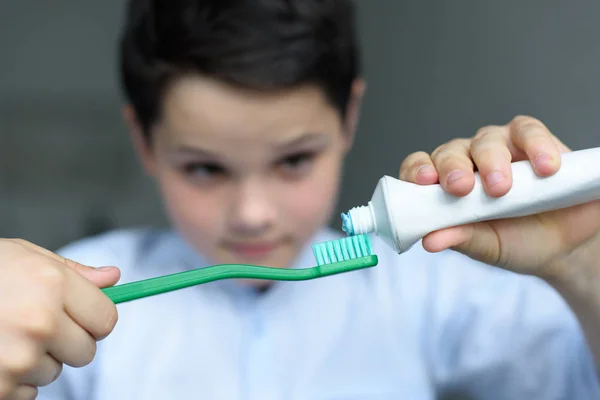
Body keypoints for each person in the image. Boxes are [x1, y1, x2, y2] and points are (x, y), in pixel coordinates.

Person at [0, 0, 599, 398]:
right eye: (205, 168)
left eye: (293, 161)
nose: (253, 212)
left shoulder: (431, 287)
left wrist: (579, 265)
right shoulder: (62, 305)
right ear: (144, 142)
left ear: (348, 119)